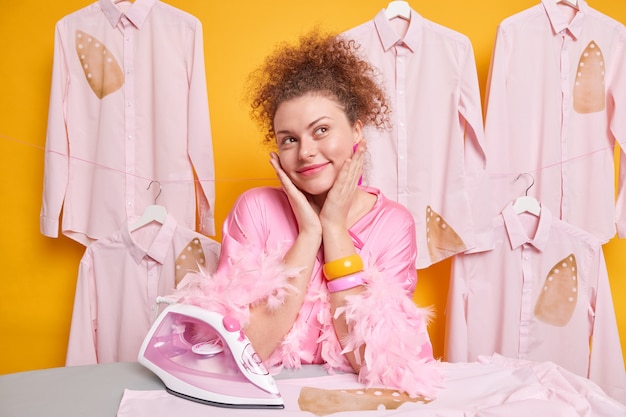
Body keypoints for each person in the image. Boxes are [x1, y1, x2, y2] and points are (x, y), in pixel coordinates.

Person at [169, 30, 441, 398]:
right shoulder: (256, 210)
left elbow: (368, 358)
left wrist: (333, 228)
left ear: (356, 129)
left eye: (322, 131)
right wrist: (309, 234)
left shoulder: (394, 223)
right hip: (265, 399)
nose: (306, 152)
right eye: (289, 139)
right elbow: (248, 352)